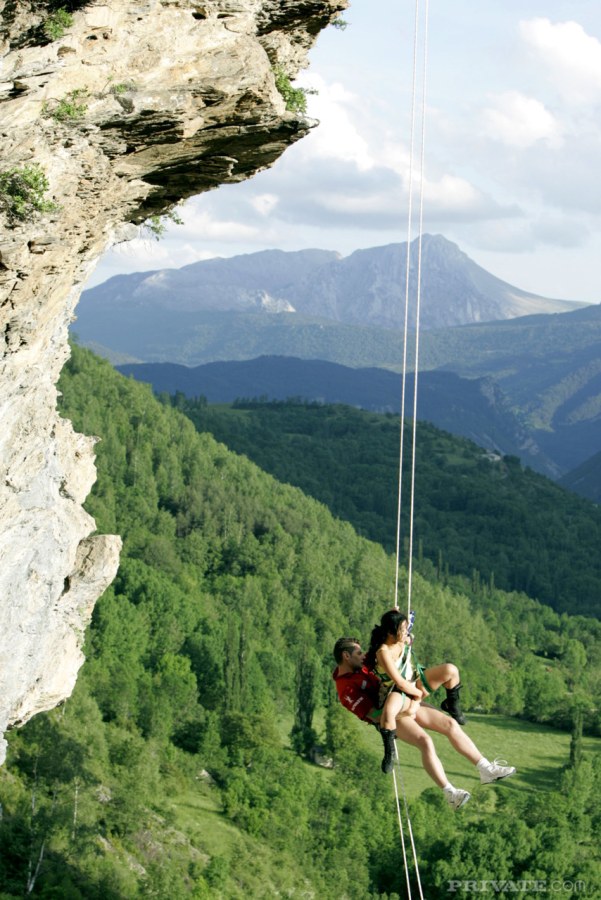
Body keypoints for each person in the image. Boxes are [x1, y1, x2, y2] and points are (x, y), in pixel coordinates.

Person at [332, 618, 516, 811]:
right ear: (346, 656)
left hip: (404, 696)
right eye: (358, 653)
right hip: (391, 714)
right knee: (425, 742)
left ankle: (486, 769)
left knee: (450, 725)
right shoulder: (346, 689)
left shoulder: (362, 663)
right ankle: (450, 793)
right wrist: (410, 704)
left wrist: (398, 624)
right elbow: (374, 715)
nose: (363, 656)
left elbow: (384, 649)